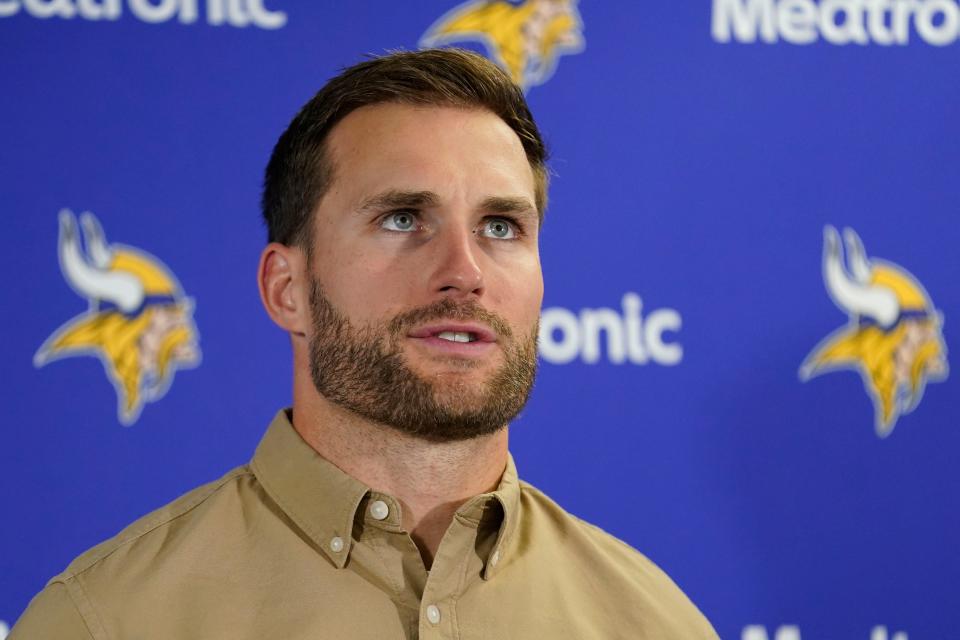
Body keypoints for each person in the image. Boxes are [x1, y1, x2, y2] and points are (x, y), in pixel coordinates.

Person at [11, 48, 718, 639]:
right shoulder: (106, 622)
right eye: (404, 218)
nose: (464, 273)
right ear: (287, 288)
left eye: (501, 226)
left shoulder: (653, 622)